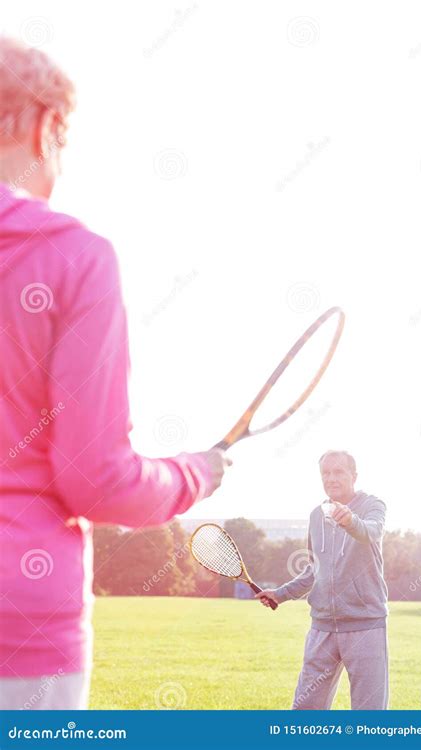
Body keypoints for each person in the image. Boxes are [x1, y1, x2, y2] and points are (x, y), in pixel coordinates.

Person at [0, 36, 231, 709]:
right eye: (63, 140)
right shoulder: (74, 256)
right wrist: (196, 473)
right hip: (21, 634)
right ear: (42, 124)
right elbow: (95, 480)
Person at [257, 450, 389, 710]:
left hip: (364, 626)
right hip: (323, 628)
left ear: (354, 475)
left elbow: (371, 532)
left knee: (369, 715)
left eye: (338, 471)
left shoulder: (373, 506)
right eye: (325, 473)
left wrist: (351, 520)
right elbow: (314, 569)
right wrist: (281, 594)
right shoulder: (316, 515)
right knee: (305, 710)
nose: (331, 478)